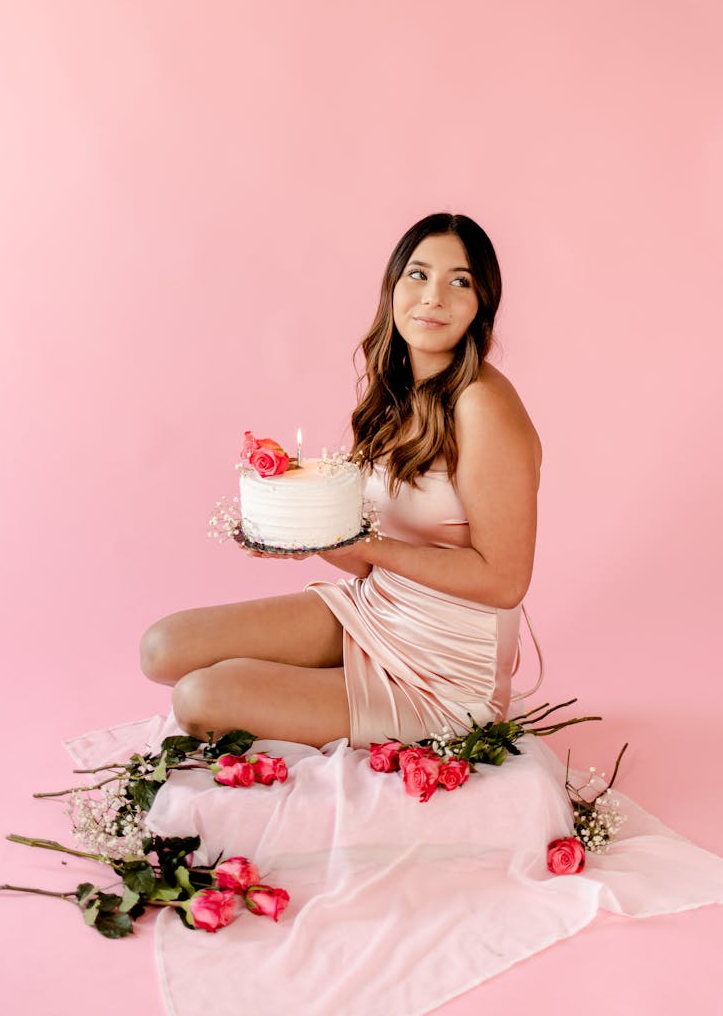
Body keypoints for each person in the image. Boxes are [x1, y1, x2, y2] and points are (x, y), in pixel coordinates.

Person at [140, 213, 542, 749]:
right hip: (377, 608)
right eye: (418, 275)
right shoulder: (395, 391)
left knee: (199, 699)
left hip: (445, 666)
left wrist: (372, 547)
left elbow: (505, 580)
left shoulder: (483, 404)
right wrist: (306, 534)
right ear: (393, 287)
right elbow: (365, 554)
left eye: (460, 281)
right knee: (162, 647)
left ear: (482, 303)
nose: (434, 296)